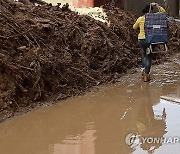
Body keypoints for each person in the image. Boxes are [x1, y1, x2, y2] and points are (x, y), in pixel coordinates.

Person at [133, 2, 166, 82]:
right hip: (150, 40)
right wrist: (157, 5)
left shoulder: (140, 18)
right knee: (148, 56)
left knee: (144, 54)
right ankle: (146, 75)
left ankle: (142, 71)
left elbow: (134, 27)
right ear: (151, 10)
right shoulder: (154, 17)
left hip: (141, 40)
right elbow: (163, 12)